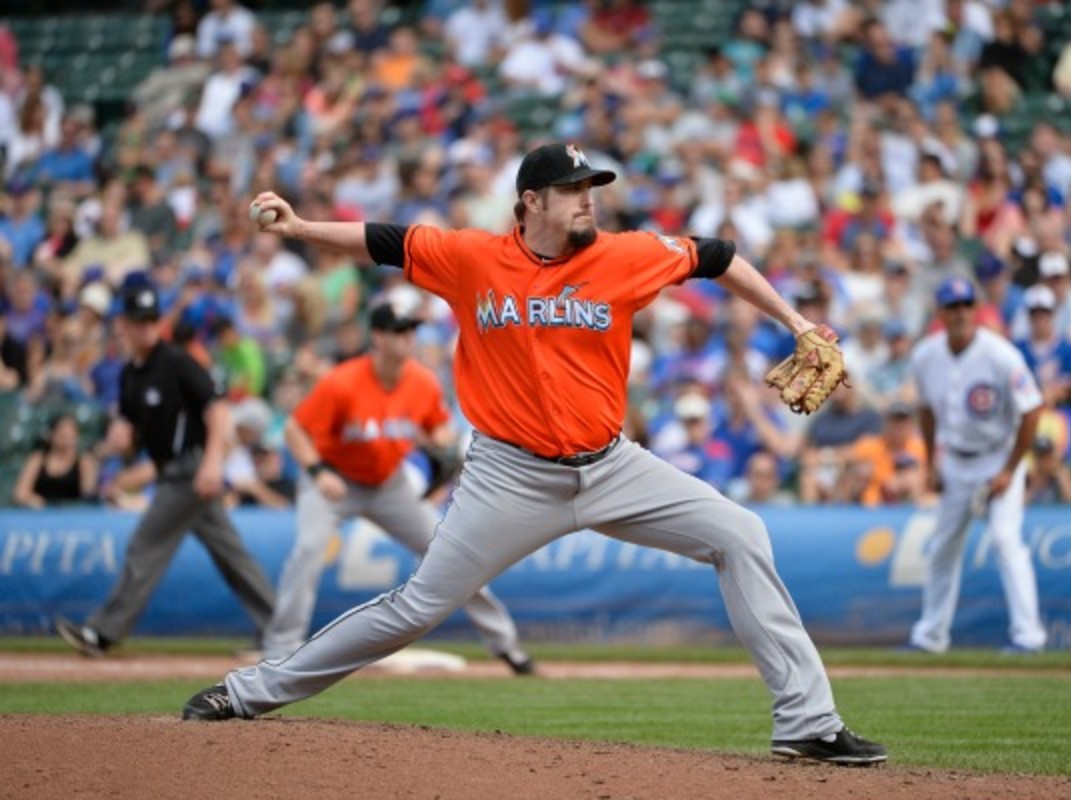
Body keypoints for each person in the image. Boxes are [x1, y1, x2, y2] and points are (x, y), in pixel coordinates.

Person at [181, 142, 887, 766]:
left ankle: (808, 723)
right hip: (509, 477)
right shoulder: (472, 258)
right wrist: (301, 227)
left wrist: (795, 321)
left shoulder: (626, 255)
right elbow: (383, 241)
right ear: (531, 201)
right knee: (417, 606)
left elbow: (719, 257)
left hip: (613, 466)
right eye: (575, 190)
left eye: (592, 189)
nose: (589, 201)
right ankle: (249, 693)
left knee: (741, 534)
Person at [262, 286, 535, 674]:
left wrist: (443, 448)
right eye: (399, 330)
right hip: (334, 481)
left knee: (453, 553)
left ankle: (507, 646)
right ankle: (280, 649)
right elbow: (294, 431)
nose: (408, 337)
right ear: (378, 337)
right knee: (308, 549)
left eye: (411, 329)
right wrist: (318, 472)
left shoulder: (422, 382)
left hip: (389, 485)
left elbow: (440, 429)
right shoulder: (342, 382)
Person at [54, 284, 276, 657]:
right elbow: (130, 436)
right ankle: (280, 632)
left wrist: (211, 463)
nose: (147, 328)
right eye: (140, 321)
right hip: (171, 471)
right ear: (123, 324)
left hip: (189, 471)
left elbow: (218, 410)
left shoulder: (175, 361)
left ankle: (103, 633)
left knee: (144, 546)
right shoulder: (129, 375)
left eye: (153, 319)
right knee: (233, 556)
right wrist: (122, 441)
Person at [907, 277, 1047, 654]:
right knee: (941, 548)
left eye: (967, 305)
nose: (961, 313)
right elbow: (924, 410)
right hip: (954, 459)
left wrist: (1010, 469)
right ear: (940, 313)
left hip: (998, 456)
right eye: (952, 306)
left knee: (1005, 540)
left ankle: (1028, 636)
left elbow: (1033, 410)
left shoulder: (1001, 354)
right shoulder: (925, 355)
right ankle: (930, 636)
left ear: (976, 308)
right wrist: (931, 460)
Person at [11, 413, 98, 508]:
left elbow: (88, 496)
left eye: (71, 432)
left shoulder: (84, 461)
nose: (66, 435)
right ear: (51, 435)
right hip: (40, 514)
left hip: (72, 515)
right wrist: (35, 501)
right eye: (61, 431)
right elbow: (20, 493)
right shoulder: (38, 459)